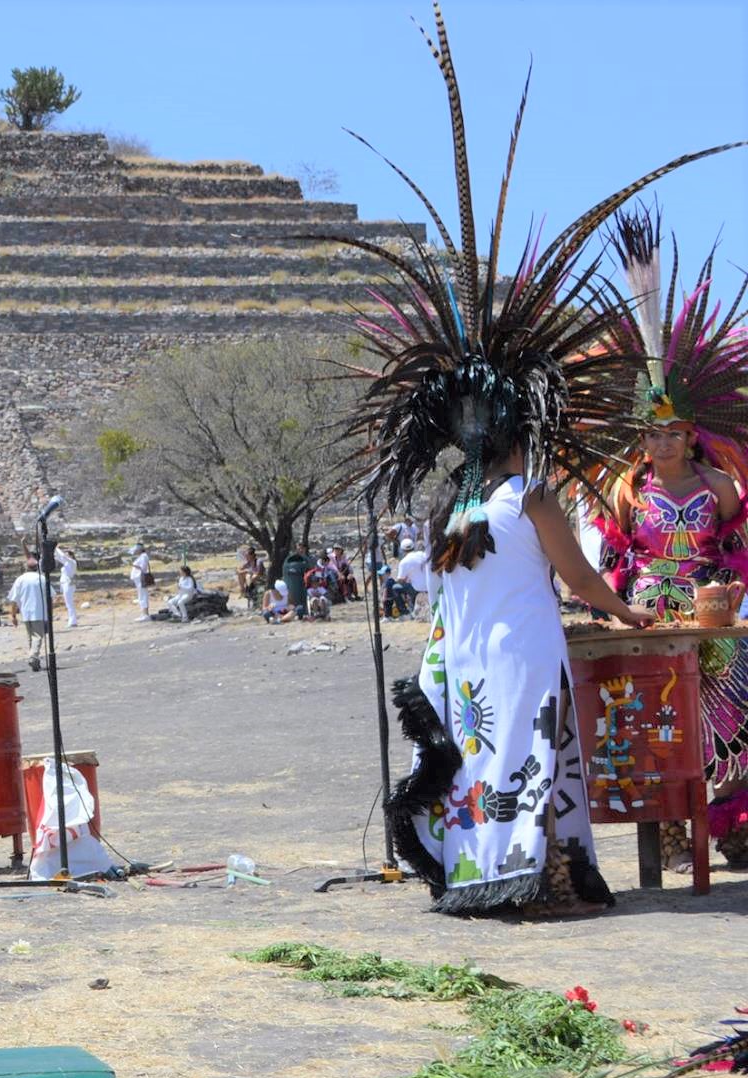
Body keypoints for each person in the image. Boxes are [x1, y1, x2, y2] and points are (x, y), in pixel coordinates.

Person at [331, 34, 700, 917]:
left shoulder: (451, 508)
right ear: (520, 432)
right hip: (526, 653)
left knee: (485, 757)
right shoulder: (528, 497)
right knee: (527, 754)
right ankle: (529, 877)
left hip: (464, 662)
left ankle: (490, 873)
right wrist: (630, 611)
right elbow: (575, 579)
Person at [592, 205, 748, 869]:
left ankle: (731, 822)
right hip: (651, 619)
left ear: (691, 434)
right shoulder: (628, 491)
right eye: (653, 433)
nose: (662, 442)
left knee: (732, 717)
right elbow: (613, 558)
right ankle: (676, 835)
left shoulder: (720, 489)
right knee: (661, 727)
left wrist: (730, 593)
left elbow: (739, 552)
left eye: (673, 433)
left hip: (714, 617)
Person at [7, 555, 50, 670]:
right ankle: (33, 656)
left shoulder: (20, 580)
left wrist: (13, 615)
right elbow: (51, 596)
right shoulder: (41, 578)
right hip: (39, 611)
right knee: (38, 636)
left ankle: (35, 662)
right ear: (37, 567)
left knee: (31, 637)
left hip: (25, 612)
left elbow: (14, 598)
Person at [53, 543, 79, 628]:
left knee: (69, 603)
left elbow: (63, 556)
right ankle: (72, 620)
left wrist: (57, 548)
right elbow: (58, 557)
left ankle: (73, 621)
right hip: (65, 584)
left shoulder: (72, 562)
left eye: (68, 554)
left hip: (69, 584)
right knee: (68, 603)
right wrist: (55, 550)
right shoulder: (67, 563)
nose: (66, 556)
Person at [129, 543, 152, 620]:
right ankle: (143, 614)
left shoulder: (144, 556)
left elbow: (143, 568)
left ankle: (145, 614)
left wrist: (133, 565)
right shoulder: (141, 556)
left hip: (141, 578)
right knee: (141, 595)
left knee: (143, 595)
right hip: (138, 579)